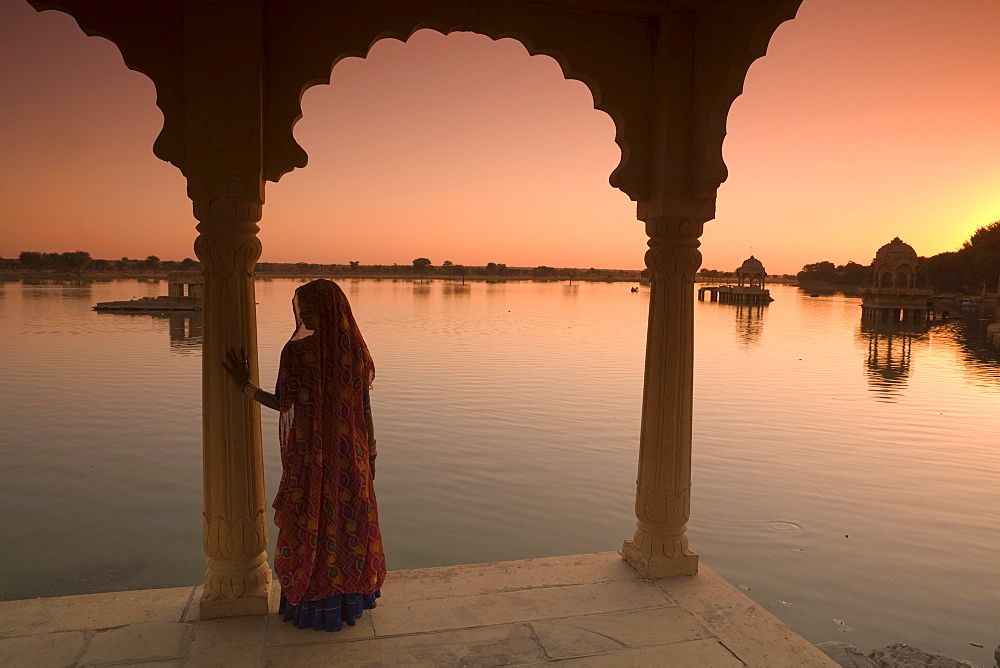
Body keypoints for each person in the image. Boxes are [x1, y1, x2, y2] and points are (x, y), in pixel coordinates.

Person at [224, 279, 385, 632]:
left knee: (315, 521)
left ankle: (316, 603)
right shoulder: (354, 351)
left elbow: (284, 403)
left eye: (309, 308)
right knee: (346, 524)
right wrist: (369, 455)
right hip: (349, 455)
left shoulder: (297, 353)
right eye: (303, 308)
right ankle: (348, 601)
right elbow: (364, 409)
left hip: (313, 456)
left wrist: (245, 386)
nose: (304, 314)